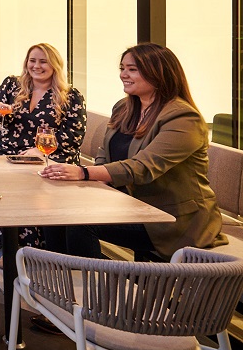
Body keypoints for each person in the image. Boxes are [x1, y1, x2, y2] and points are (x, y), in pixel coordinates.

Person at [42, 43, 226, 260]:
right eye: (122, 68)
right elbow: (104, 151)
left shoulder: (184, 118)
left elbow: (142, 167)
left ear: (158, 72)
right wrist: (97, 181)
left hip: (173, 220)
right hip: (129, 205)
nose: (123, 75)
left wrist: (84, 173)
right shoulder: (124, 107)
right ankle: (60, 275)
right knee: (55, 210)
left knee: (80, 223)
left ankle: (95, 279)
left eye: (132, 69)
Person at [0, 43, 86, 251]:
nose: (36, 66)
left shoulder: (71, 96)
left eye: (43, 62)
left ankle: (23, 247)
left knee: (27, 180)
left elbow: (74, 135)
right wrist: (0, 111)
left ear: (54, 65)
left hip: (52, 152)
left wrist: (41, 150)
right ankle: (4, 237)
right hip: (9, 147)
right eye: (32, 60)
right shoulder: (12, 84)